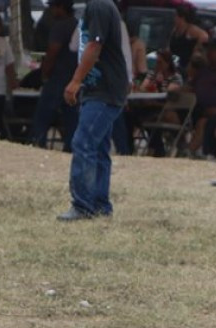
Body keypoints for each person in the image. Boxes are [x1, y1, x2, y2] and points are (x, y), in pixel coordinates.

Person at [57, 0, 128, 222]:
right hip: (101, 89)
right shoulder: (98, 6)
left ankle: (83, 205)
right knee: (97, 148)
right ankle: (99, 205)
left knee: (83, 143)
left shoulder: (98, 6)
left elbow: (94, 46)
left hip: (104, 90)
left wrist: (76, 80)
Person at [31, 0, 78, 151]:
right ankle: (71, 147)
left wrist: (44, 74)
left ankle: (38, 142)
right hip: (74, 78)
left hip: (58, 77)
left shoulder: (60, 27)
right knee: (72, 116)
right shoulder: (78, 24)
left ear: (60, 7)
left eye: (52, 6)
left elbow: (52, 52)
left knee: (43, 114)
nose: (50, 10)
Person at [187, 42, 216, 159]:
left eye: (212, 50)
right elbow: (192, 85)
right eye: (208, 50)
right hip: (197, 107)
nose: (209, 53)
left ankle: (189, 152)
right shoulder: (204, 70)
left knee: (203, 122)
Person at [169, 4, 208, 75]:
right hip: (174, 68)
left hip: (187, 70)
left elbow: (198, 55)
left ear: (182, 18)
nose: (174, 18)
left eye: (176, 16)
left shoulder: (196, 32)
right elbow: (169, 48)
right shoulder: (175, 30)